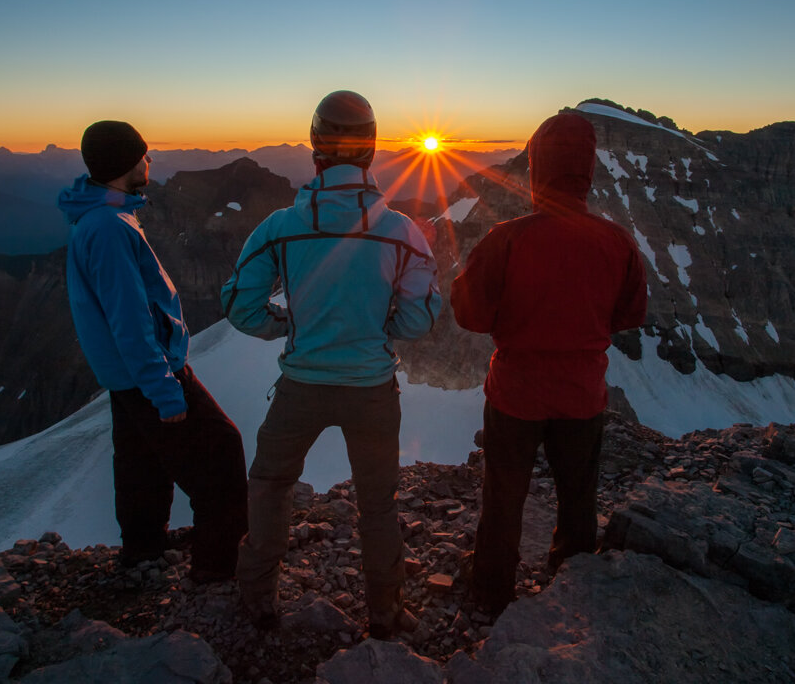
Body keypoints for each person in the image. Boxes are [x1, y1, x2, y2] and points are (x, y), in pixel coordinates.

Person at [222, 90, 442, 636]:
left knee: (271, 484)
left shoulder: (279, 227)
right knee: (378, 505)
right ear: (371, 152)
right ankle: (387, 613)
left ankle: (257, 599)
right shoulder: (401, 232)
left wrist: (289, 326)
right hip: (371, 386)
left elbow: (241, 307)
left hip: (301, 384)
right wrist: (377, 328)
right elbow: (418, 322)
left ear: (316, 148)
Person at [451, 111, 648, 615]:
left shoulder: (507, 237)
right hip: (582, 394)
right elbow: (630, 313)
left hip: (516, 392)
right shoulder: (617, 241)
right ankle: (573, 584)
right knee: (578, 494)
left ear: (537, 171)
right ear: (586, 172)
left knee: (504, 495)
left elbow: (470, 314)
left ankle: (492, 591)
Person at [58, 119, 248, 582]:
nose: (151, 160)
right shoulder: (108, 227)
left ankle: (142, 551)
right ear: (126, 163)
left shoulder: (102, 216)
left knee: (143, 462)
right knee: (221, 451)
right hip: (150, 371)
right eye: (144, 153)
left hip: (128, 375)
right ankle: (217, 572)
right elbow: (130, 318)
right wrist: (164, 389)